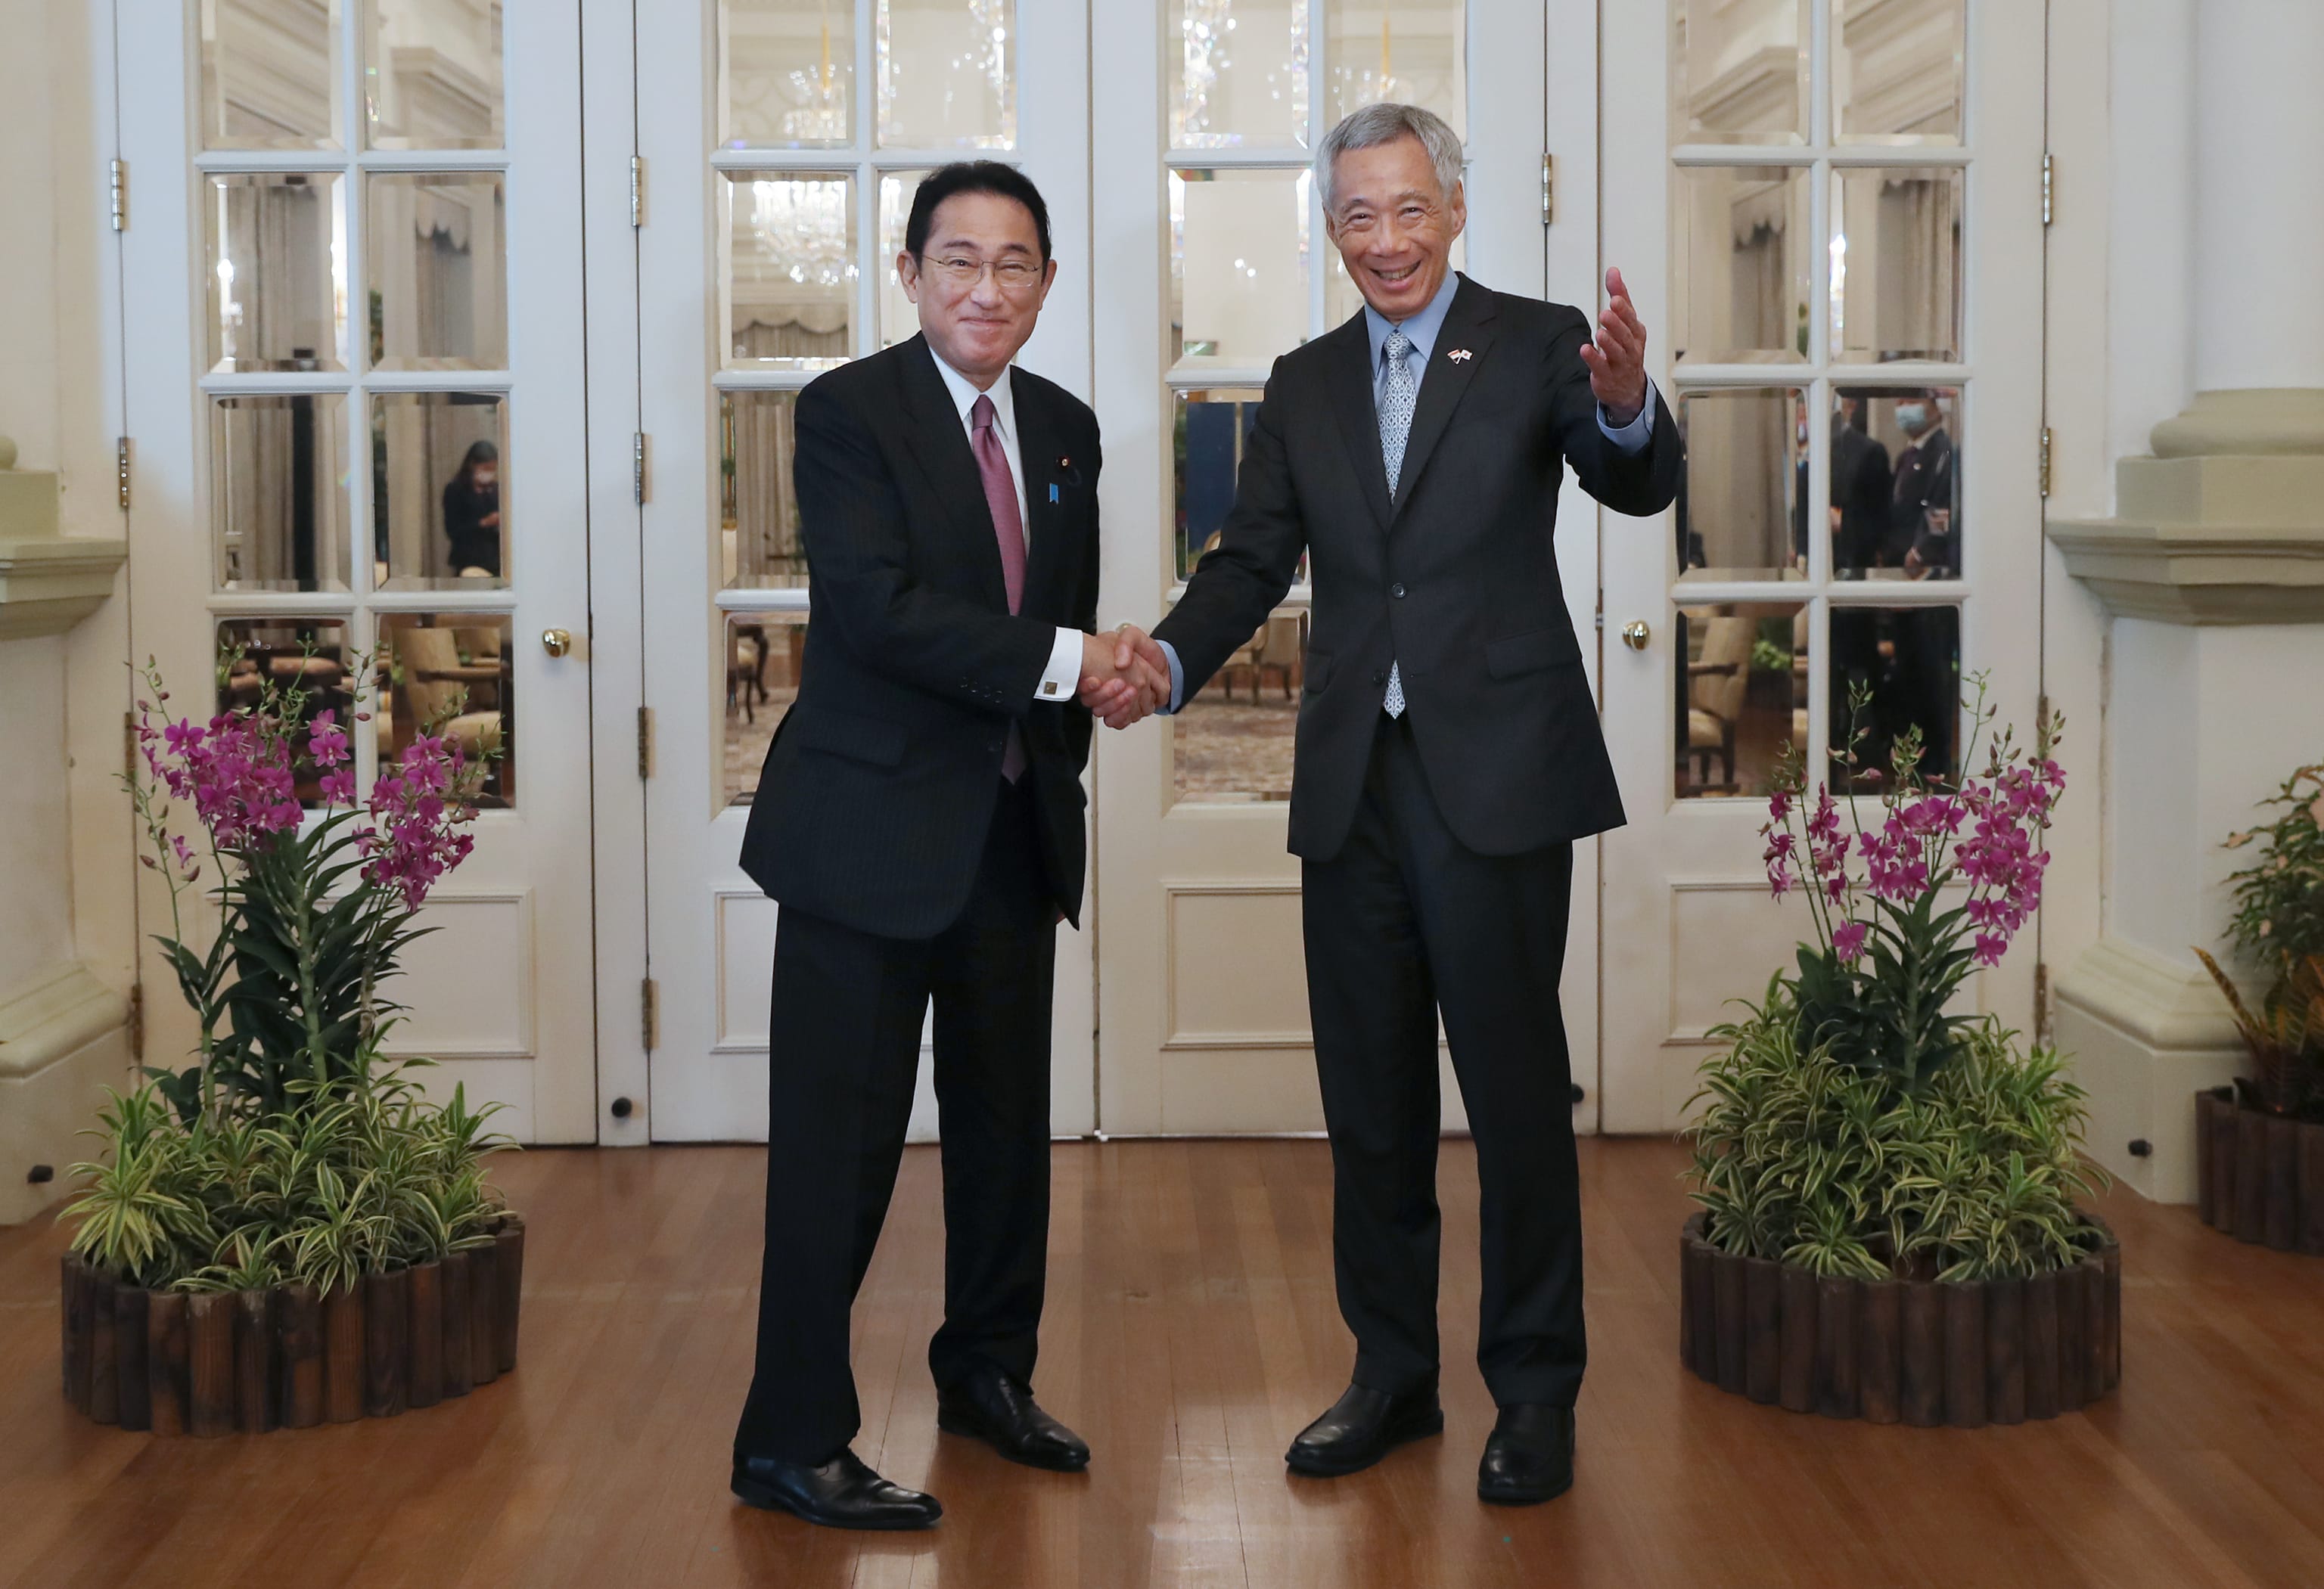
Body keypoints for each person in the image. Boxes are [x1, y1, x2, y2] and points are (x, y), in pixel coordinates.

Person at [1098, 102, 1682, 1507]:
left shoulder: (1541, 343)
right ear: (1332, 226)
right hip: (1353, 782)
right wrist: (1171, 657)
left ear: (1456, 207)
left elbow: (1636, 480)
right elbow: (1250, 562)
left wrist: (1620, 401)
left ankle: (1534, 1390)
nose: (1383, 240)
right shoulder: (1300, 385)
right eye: (1355, 215)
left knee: (1516, 1098)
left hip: (1496, 779)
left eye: (1406, 209)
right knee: (1370, 1101)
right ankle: (1392, 1372)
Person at [729, 161, 1140, 1531]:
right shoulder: (849, 410)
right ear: (909, 273)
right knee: (835, 1152)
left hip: (1009, 833)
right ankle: (790, 1438)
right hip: (862, 838)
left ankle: (986, 1376)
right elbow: (877, 609)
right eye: (956, 259)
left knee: (1004, 1137)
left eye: (1014, 262)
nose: (985, 286)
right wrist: (1077, 660)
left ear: (1045, 283)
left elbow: (1051, 630)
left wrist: (1081, 692)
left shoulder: (1072, 430)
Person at [1888, 389, 1957, 579]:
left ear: (1937, 408)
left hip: (1924, 563)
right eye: (1900, 403)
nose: (1904, 409)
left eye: (1912, 403)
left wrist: (1920, 551)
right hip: (1898, 558)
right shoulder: (1907, 455)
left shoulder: (1944, 452)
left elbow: (1941, 506)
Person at [442, 440, 501, 577]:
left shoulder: (495, 490)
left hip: (495, 558)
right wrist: (483, 523)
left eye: (492, 469)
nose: (489, 473)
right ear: (472, 464)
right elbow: (453, 530)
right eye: (485, 468)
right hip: (468, 558)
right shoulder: (456, 490)